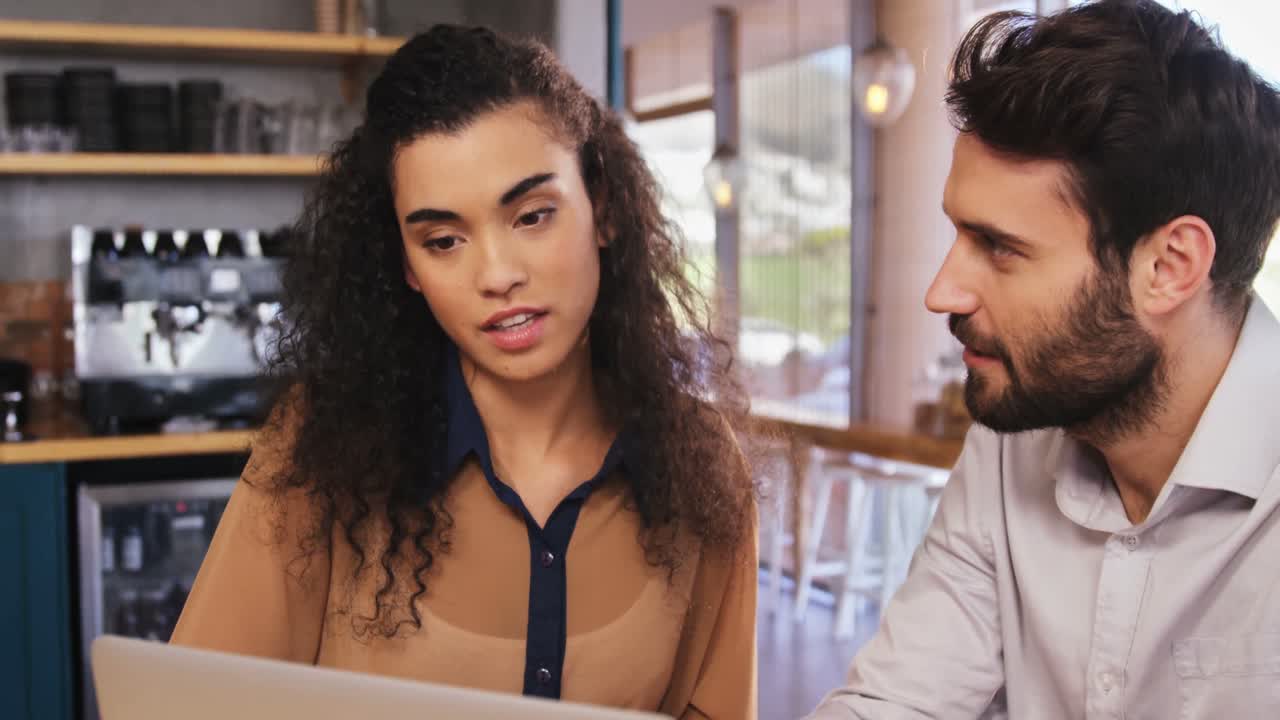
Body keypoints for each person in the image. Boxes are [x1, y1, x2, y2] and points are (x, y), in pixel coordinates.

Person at [171, 25, 758, 719]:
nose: (498, 275)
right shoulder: (321, 451)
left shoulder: (700, 463)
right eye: (443, 241)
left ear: (601, 207)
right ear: (408, 268)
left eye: (533, 216)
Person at [809, 1, 1280, 718]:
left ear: (1169, 266)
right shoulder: (1012, 443)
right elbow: (896, 704)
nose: (942, 293)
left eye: (999, 247)